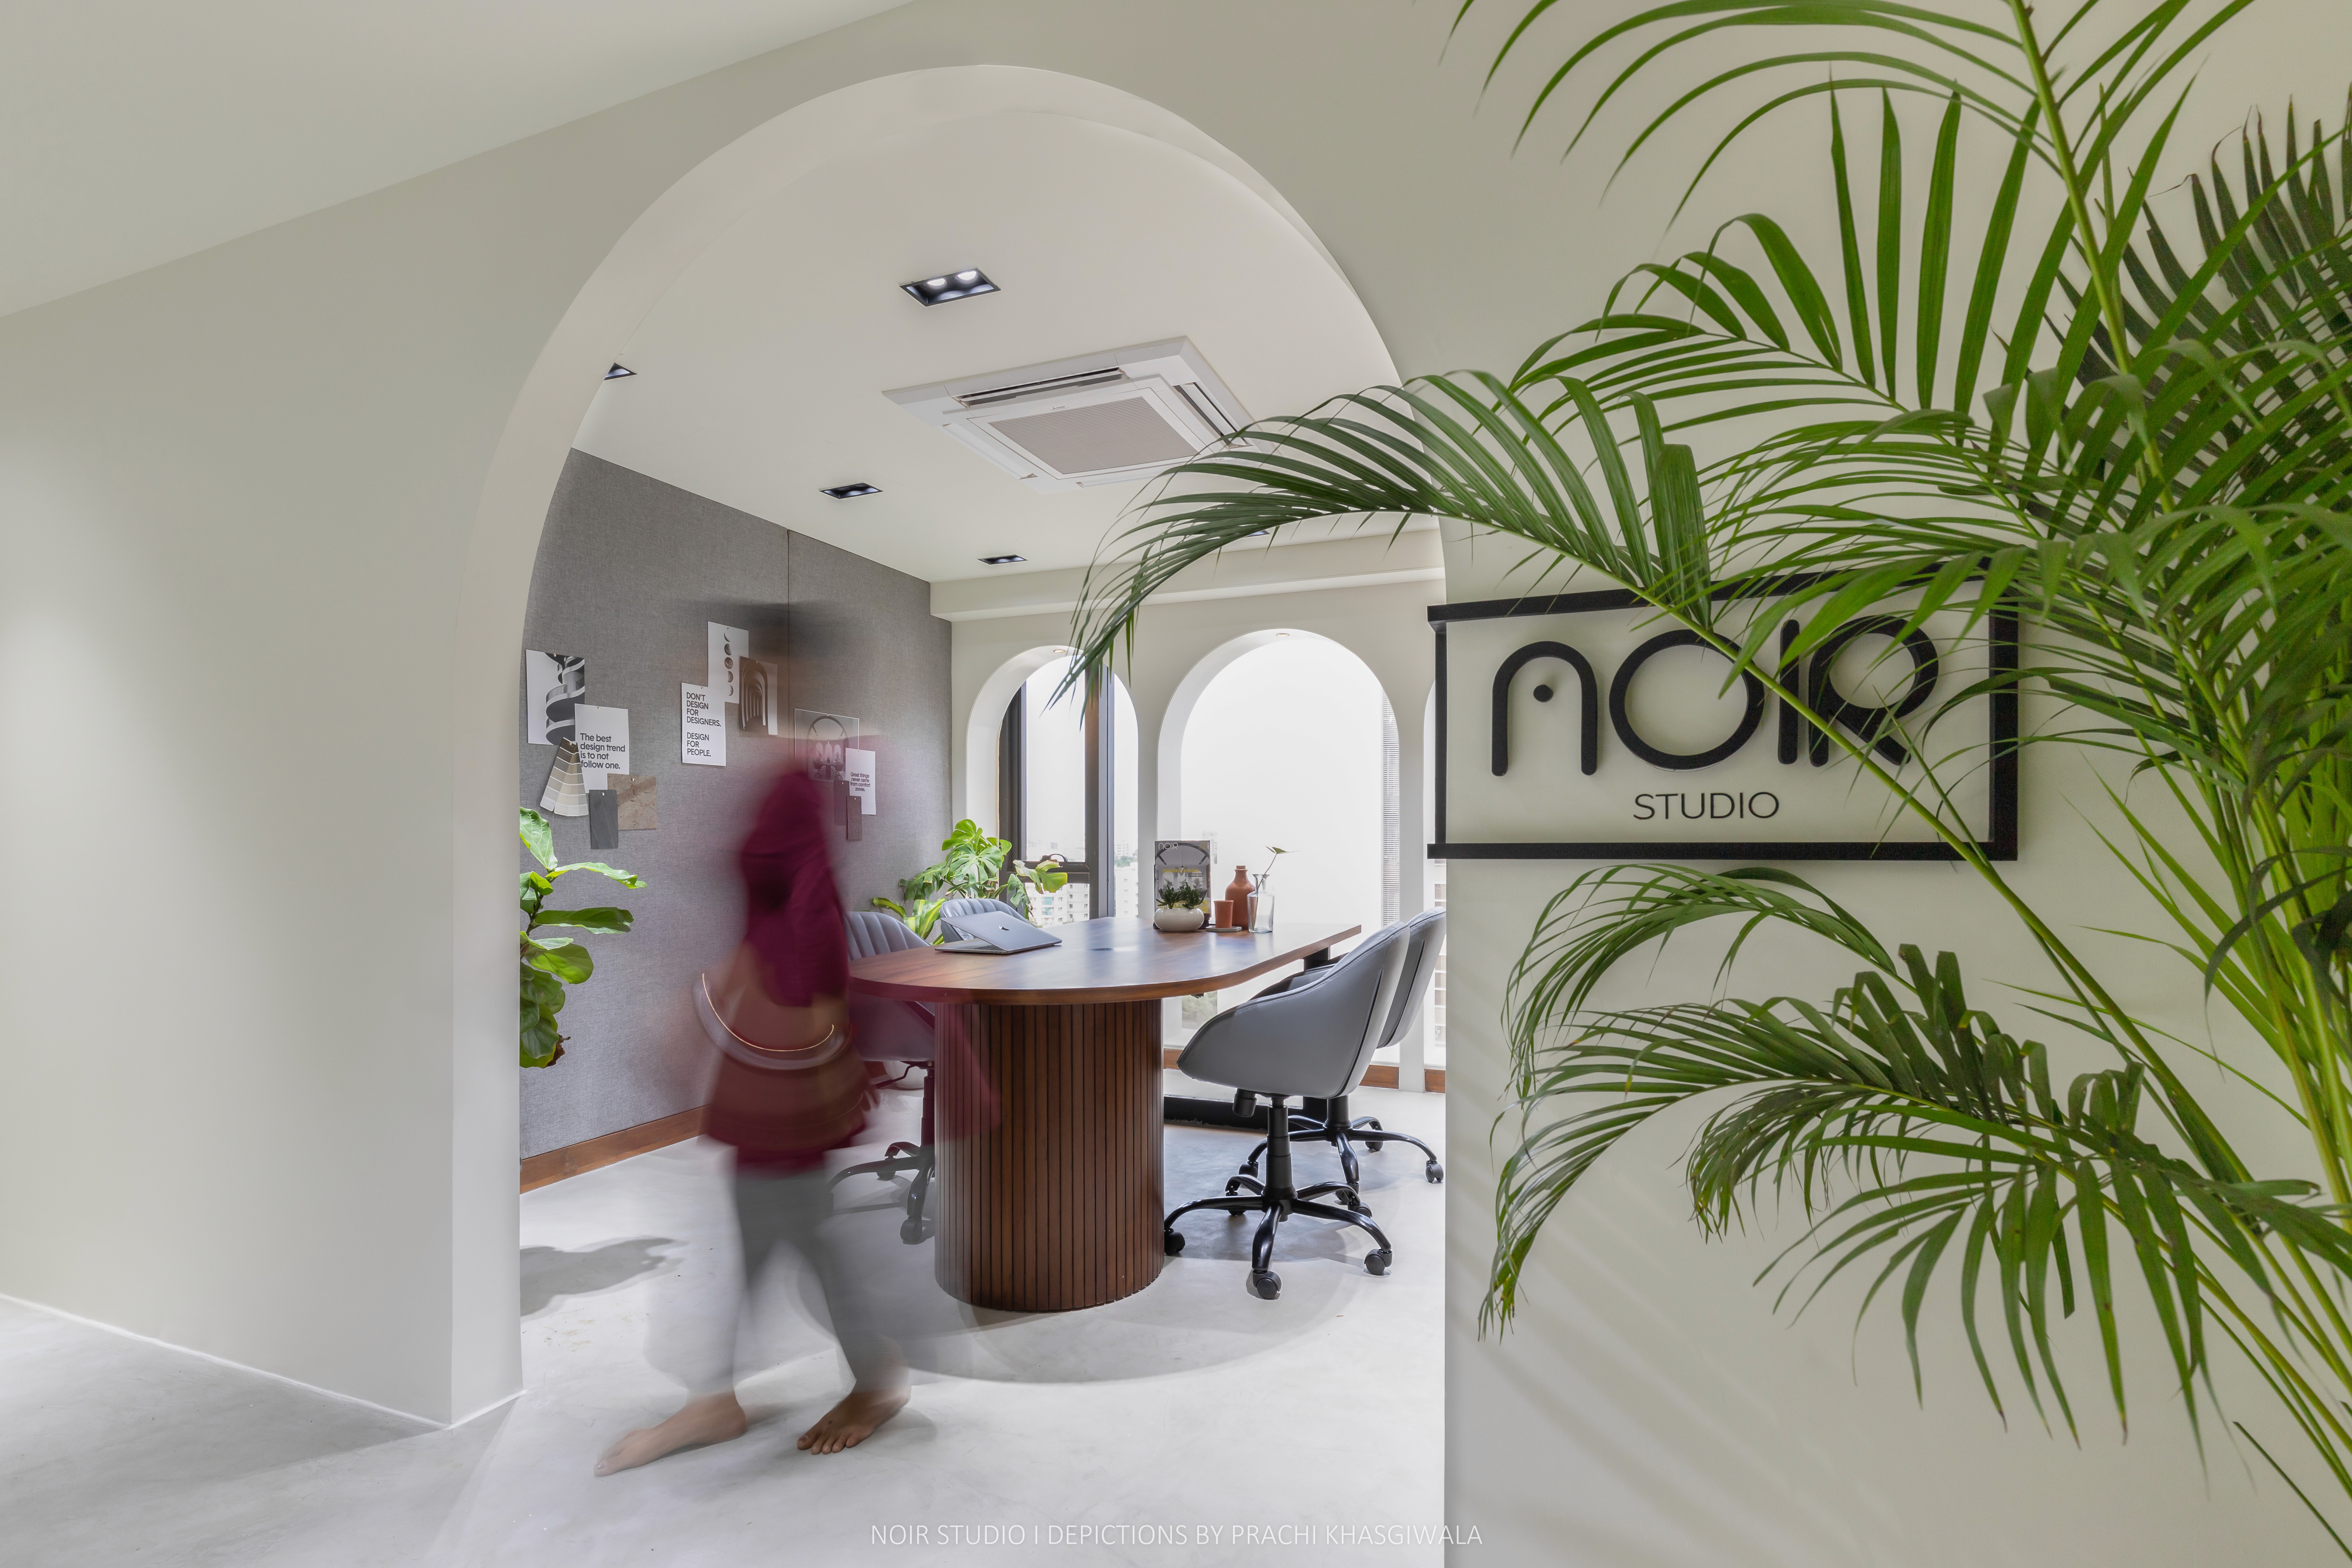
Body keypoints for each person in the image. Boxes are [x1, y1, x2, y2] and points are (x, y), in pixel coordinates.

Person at [596, 753, 909, 1475]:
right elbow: (763, 919)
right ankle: (835, 1378)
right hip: (769, 1043)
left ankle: (855, 1378)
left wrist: (825, 1051)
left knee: (781, 1211)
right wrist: (700, 1009)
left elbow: (815, 916)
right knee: (778, 1215)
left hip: (790, 1049)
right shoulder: (773, 782)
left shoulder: (792, 784)